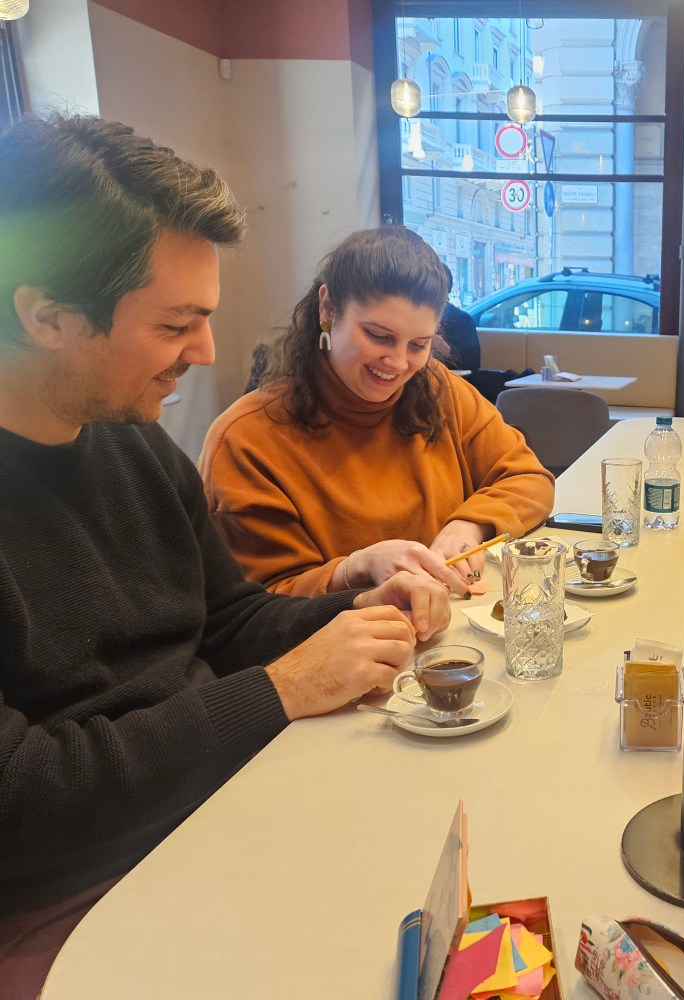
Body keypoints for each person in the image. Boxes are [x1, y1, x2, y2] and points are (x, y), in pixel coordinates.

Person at [0, 115, 450, 991]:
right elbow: (19, 799)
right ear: (46, 314)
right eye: (177, 325)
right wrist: (282, 691)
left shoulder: (130, 442)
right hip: (72, 895)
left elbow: (229, 618)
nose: (205, 353)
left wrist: (355, 611)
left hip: (223, 800)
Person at [200, 227, 555, 598]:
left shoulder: (439, 388)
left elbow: (530, 479)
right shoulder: (245, 440)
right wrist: (357, 569)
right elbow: (256, 608)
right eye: (378, 336)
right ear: (327, 309)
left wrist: (470, 524)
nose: (399, 364)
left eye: (419, 344)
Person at [433, 261, 481, 371]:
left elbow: (473, 364)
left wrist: (443, 347)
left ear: (447, 291)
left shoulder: (462, 321)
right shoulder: (411, 319)